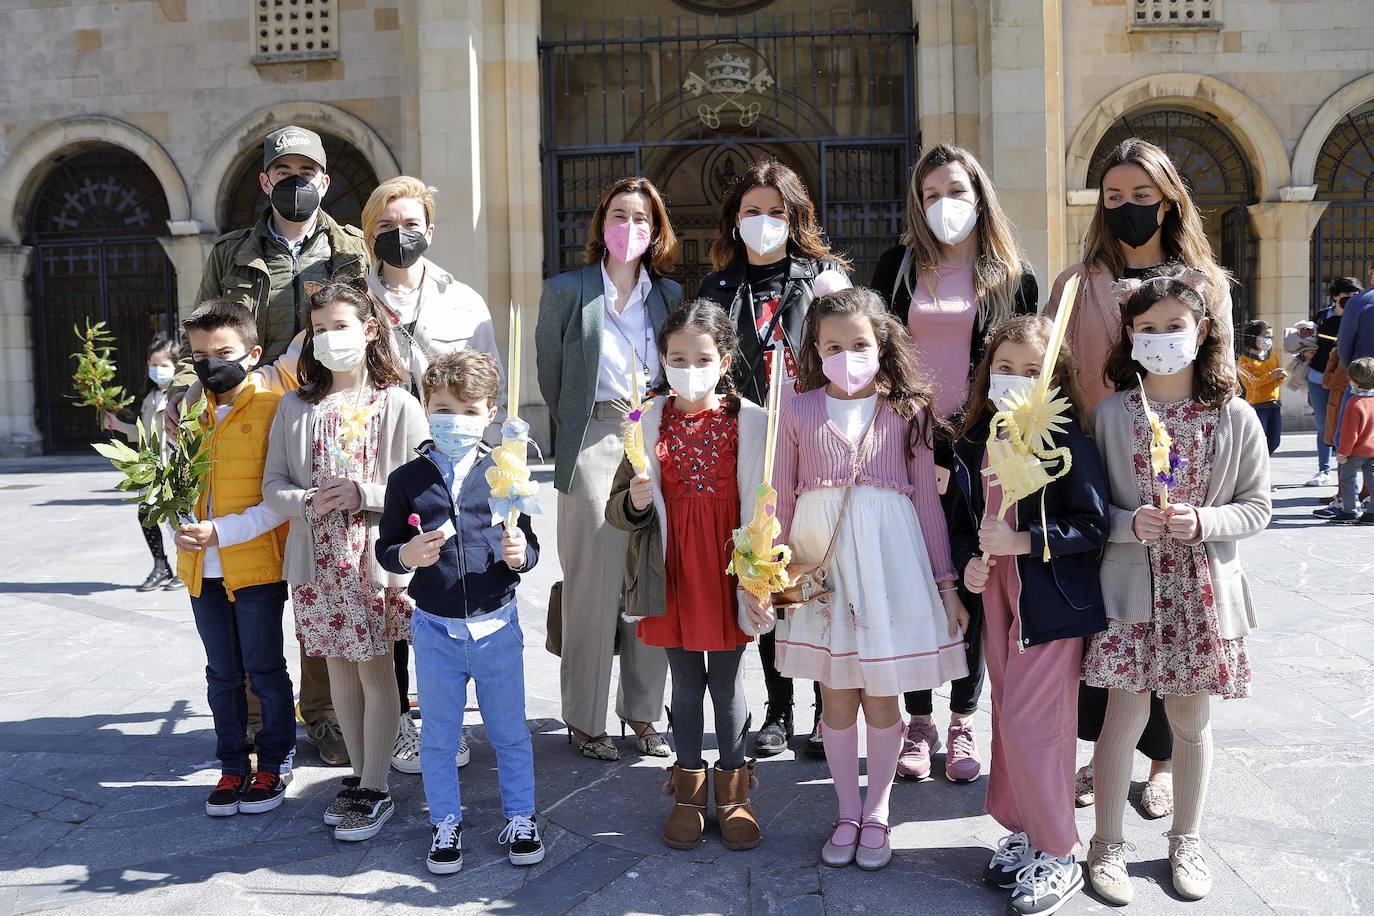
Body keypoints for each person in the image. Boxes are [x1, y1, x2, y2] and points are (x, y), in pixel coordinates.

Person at [171, 124, 371, 768]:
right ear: (265, 181)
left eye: (307, 172)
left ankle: (324, 713)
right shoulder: (233, 252)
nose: (296, 183)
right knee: (247, 567)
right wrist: (178, 394)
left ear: (325, 180)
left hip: (320, 421)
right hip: (244, 420)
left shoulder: (351, 249)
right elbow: (202, 325)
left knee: (319, 569)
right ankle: (257, 714)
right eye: (283, 173)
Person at [1048, 137, 1236, 818]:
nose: (1128, 207)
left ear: (1169, 199)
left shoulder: (1204, 281)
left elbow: (1224, 378)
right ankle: (1106, 754)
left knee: (1174, 620)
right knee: (1113, 621)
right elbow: (1048, 372)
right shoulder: (1077, 283)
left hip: (1178, 474)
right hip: (1100, 470)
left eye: (1143, 195)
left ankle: (1162, 763)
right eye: (1115, 196)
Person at [1083, 267, 1271, 905]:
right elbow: (1090, 510)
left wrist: (1204, 520)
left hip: (1201, 595)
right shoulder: (1111, 416)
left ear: (1203, 332)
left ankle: (1186, 840)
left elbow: (1257, 507)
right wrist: (1130, 523)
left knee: (1191, 722)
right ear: (1129, 337)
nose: (1161, 338)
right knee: (1124, 719)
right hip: (1132, 591)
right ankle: (1105, 846)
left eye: (1174, 327)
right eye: (1147, 328)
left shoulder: (1235, 416)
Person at [769, 287, 971, 871]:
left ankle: (878, 810)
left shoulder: (910, 412)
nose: (847, 355)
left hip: (890, 565)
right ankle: (846, 809)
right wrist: (768, 566)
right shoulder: (798, 409)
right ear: (815, 348)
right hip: (823, 567)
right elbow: (779, 497)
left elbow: (930, 509)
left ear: (882, 343)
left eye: (859, 343)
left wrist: (946, 584)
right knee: (835, 697)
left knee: (882, 696)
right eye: (833, 345)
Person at [870, 143, 1038, 784]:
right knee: (913, 576)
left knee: (971, 572)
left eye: (958, 193)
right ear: (918, 202)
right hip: (906, 440)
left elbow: (1023, 362)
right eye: (933, 194)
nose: (946, 206)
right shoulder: (897, 267)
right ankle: (919, 719)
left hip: (980, 443)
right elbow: (878, 350)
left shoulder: (1011, 276)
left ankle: (964, 716)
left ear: (981, 199)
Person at [950, 315, 1109, 915]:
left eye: (1031, 371)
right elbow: (965, 520)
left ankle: (1061, 850)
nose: (1016, 380)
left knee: (1031, 724)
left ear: (1055, 377)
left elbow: (1092, 525)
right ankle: (1025, 829)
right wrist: (970, 560)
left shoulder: (1070, 444)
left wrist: (1026, 539)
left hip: (1050, 606)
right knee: (1004, 717)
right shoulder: (975, 441)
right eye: (1004, 369)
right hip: (997, 599)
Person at [262, 280, 428, 842]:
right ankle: (358, 776)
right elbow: (273, 485)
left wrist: (365, 493)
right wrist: (306, 500)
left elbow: (423, 485)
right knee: (337, 669)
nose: (331, 338)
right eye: (321, 328)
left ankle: (377, 786)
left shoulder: (398, 403)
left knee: (378, 671)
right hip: (318, 559)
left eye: (342, 325)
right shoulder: (294, 404)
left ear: (369, 329)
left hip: (373, 558)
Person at [696, 158, 851, 760]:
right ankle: (780, 708)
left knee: (814, 569)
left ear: (797, 216)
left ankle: (822, 711)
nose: (764, 222)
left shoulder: (824, 280)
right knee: (763, 569)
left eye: (777, 212)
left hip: (812, 441)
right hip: (747, 443)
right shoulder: (717, 287)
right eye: (752, 212)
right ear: (735, 221)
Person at [604, 301, 768, 852]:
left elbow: (771, 498)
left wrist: (762, 570)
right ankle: (689, 789)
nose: (688, 366)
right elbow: (614, 510)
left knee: (727, 681)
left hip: (727, 568)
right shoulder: (645, 421)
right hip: (671, 571)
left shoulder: (752, 421)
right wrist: (634, 498)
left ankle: (737, 789)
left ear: (724, 359)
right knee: (685, 680)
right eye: (677, 357)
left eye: (701, 357)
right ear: (663, 359)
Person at [375, 349, 544, 874]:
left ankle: (521, 817)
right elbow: (386, 547)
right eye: (445, 408)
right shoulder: (408, 478)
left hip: (497, 625)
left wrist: (521, 555)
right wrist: (406, 555)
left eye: (470, 411)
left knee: (509, 731)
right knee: (441, 736)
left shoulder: (504, 469)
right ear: (428, 406)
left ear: (490, 413)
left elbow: (529, 544)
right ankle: (444, 822)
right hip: (434, 628)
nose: (456, 421)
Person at [360, 175, 501, 775]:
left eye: (411, 224)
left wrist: (489, 467)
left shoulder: (464, 301)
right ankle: (396, 727)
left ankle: (444, 719)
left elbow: (490, 383)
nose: (400, 235)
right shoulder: (352, 300)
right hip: (376, 463)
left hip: (446, 465)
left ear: (431, 230)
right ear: (369, 234)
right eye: (387, 227)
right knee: (386, 590)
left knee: (443, 588)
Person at [534, 177, 679, 761]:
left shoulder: (667, 295)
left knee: (651, 572)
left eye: (642, 218)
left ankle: (643, 713)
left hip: (655, 429)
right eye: (619, 214)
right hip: (594, 429)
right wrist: (579, 423)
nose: (630, 227)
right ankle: (585, 717)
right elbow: (550, 371)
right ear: (602, 224)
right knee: (593, 573)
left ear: (656, 230)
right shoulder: (568, 290)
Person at [171, 300, 294, 817]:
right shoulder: (189, 415)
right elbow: (174, 487)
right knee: (221, 673)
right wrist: (178, 526)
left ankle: (274, 760)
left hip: (256, 565)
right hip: (204, 571)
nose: (209, 364)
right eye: (199, 355)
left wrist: (220, 530)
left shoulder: (274, 410)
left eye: (222, 352)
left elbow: (278, 501)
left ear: (252, 353)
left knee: (264, 669)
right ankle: (231, 764)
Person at [103, 335, 184, 592]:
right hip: (151, 466)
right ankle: (161, 565)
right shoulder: (150, 398)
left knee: (178, 519)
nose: (157, 370)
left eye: (163, 365)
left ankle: (187, 566)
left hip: (173, 466)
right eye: (152, 364)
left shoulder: (179, 397)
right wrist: (117, 425)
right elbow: (144, 433)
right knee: (146, 514)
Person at [1302, 277, 1361, 486]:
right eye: (1347, 296)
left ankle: (1344, 474)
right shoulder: (1322, 317)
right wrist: (1305, 353)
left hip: (1345, 380)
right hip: (1318, 376)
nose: (1351, 300)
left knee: (1344, 425)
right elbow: (1307, 341)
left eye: (1355, 296)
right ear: (1336, 296)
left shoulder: (1358, 316)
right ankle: (1323, 470)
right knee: (1323, 424)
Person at [1329, 356, 1374, 524]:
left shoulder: (1354, 403)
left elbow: (1350, 432)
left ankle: (1350, 509)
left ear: (1354, 381)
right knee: (1372, 479)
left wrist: (1343, 452)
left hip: (1354, 452)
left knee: (1348, 479)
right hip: (1373, 450)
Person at [1237, 319, 1285, 456]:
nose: (1268, 340)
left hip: (1274, 404)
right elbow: (1250, 384)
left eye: (1270, 337)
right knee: (1257, 439)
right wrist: (1271, 376)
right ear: (1254, 337)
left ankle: (1263, 460)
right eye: (1265, 336)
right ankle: (1255, 464)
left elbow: (1277, 381)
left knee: (1274, 441)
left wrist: (1280, 377)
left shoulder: (1273, 356)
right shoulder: (1244, 360)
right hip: (1257, 405)